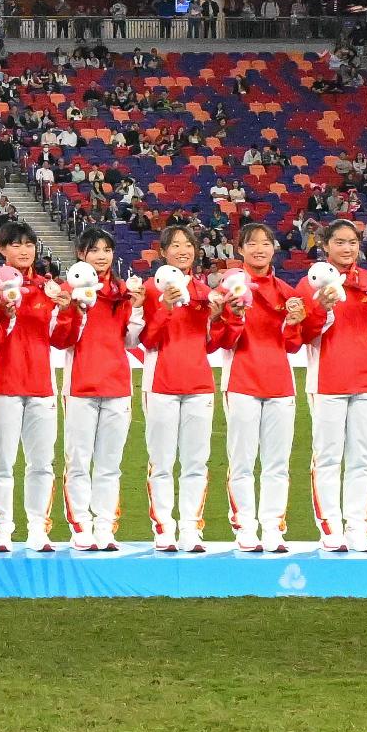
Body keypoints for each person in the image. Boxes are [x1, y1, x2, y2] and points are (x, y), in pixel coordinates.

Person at [299, 221, 367, 555]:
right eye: (339, 242)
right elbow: (305, 334)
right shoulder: (310, 282)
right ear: (325, 245)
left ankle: (357, 527)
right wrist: (322, 308)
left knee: (363, 459)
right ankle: (330, 528)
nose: (347, 248)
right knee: (327, 458)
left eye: (352, 242)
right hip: (327, 380)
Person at [215, 222, 305, 554]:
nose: (259, 249)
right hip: (241, 380)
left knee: (277, 463)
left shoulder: (286, 292)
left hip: (280, 383)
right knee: (241, 461)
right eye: (251, 243)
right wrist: (233, 314)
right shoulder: (229, 287)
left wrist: (294, 324)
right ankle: (244, 527)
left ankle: (272, 527)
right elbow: (222, 340)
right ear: (240, 249)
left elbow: (292, 346)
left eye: (265, 243)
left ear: (274, 248)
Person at [0, 222, 60, 550]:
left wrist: (69, 309)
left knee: (42, 463)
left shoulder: (48, 288)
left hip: (41, 384)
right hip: (4, 384)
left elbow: (59, 337)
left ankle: (38, 528)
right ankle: (2, 529)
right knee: (2, 462)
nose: (24, 251)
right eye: (16, 245)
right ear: (0, 248)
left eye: (29, 245)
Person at [134, 223, 219, 553]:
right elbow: (147, 340)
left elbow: (211, 344)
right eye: (176, 245)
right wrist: (165, 308)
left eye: (188, 245)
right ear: (163, 252)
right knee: (162, 462)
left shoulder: (204, 291)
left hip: (199, 383)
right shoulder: (150, 289)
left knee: (196, 463)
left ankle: (191, 528)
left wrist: (219, 316)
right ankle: (164, 528)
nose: (183, 251)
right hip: (161, 383)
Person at [48, 231, 134, 552]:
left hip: (118, 385)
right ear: (81, 254)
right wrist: (71, 310)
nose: (101, 255)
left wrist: (138, 308)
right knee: (79, 462)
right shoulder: (67, 292)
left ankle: (105, 525)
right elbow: (60, 341)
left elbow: (132, 340)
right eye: (94, 250)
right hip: (80, 386)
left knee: (110, 464)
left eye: (107, 250)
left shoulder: (123, 293)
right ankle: (81, 525)